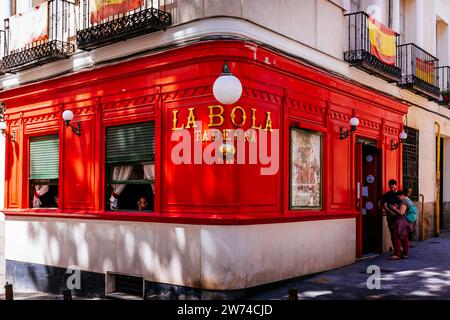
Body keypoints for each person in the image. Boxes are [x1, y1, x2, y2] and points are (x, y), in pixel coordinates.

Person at [388, 190, 416, 260]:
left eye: (399, 196)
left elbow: (401, 213)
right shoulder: (409, 200)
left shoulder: (404, 201)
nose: (398, 198)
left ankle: (397, 254)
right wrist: (398, 207)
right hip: (408, 221)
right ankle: (405, 253)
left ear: (402, 195)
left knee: (396, 236)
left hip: (402, 221)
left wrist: (394, 208)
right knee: (404, 237)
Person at [381, 179, 401, 251]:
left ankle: (400, 249)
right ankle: (396, 250)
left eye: (393, 187)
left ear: (396, 186)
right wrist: (390, 211)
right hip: (390, 217)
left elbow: (403, 205)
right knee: (392, 233)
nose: (392, 188)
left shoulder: (399, 194)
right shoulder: (386, 195)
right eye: (391, 187)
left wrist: (397, 209)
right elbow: (385, 205)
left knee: (400, 233)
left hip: (399, 216)